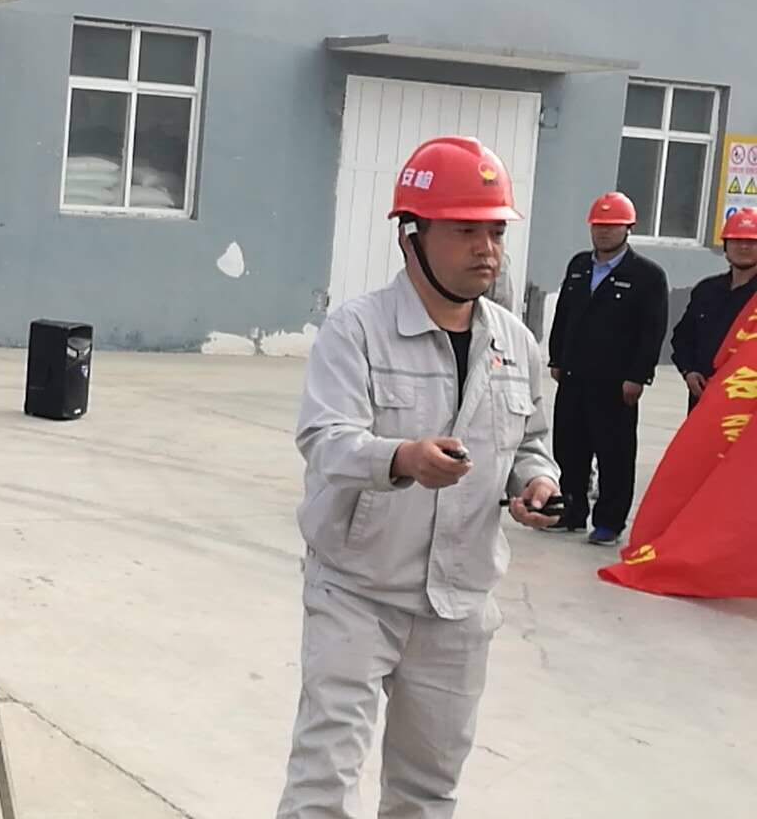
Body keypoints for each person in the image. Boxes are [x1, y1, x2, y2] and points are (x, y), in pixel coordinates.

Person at [279, 136, 562, 819]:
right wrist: (401, 458)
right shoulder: (357, 331)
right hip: (357, 590)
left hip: (459, 604)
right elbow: (325, 438)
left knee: (428, 792)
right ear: (412, 235)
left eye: (495, 232)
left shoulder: (515, 342)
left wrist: (535, 483)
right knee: (323, 783)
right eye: (465, 231)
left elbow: (531, 441)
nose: (486, 249)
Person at [544, 191, 668, 546]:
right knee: (569, 447)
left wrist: (638, 376)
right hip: (574, 375)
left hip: (616, 383)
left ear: (629, 228)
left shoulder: (646, 275)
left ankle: (609, 522)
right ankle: (571, 511)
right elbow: (564, 315)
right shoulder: (579, 266)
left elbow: (652, 331)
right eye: (598, 225)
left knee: (614, 453)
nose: (603, 232)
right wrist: (556, 358)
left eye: (612, 226)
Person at [671, 207, 757, 411]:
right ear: (725, 246)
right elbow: (683, 337)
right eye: (736, 240)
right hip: (704, 398)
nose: (743, 247)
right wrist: (688, 371)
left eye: (752, 242)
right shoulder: (707, 290)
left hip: (747, 402)